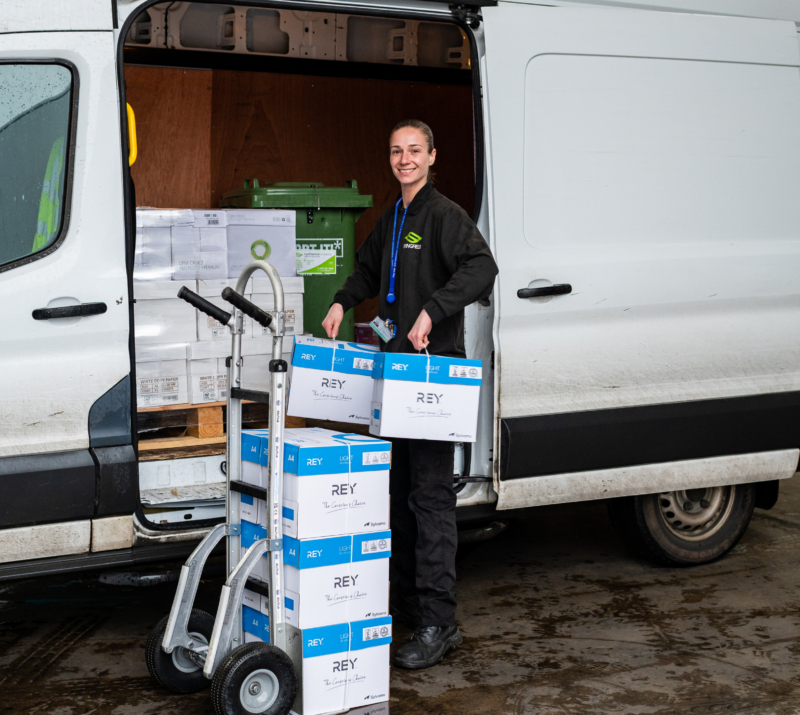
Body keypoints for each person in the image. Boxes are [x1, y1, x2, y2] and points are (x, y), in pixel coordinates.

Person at [322, 119, 498, 670]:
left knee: (430, 500)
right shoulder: (393, 216)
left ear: (431, 156)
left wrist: (431, 310)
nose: (405, 159)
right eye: (397, 151)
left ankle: (439, 625)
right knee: (396, 497)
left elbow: (483, 268)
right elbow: (369, 270)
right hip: (392, 378)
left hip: (431, 380)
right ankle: (406, 611)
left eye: (414, 151)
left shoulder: (445, 216)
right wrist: (340, 301)